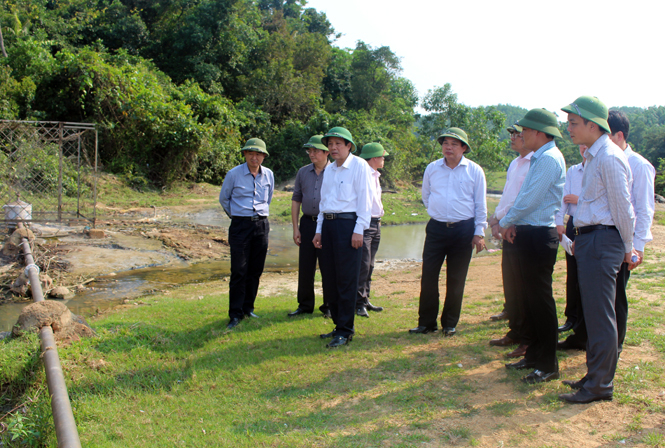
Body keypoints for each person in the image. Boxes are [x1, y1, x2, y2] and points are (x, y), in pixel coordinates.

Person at [558, 110, 655, 354]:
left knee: (614, 300)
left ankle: (613, 348)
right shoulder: (595, 157)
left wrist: (634, 247)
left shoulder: (634, 163)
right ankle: (588, 342)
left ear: (616, 134)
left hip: (617, 238)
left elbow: (640, 209)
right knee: (593, 298)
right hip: (598, 237)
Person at [559, 96, 635, 404]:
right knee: (592, 313)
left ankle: (601, 385)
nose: (570, 130)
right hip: (592, 239)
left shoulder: (609, 157)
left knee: (601, 316)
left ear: (593, 125)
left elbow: (623, 209)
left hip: (604, 240)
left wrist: (628, 249)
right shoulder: (595, 156)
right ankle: (594, 375)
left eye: (574, 124)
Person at [496, 108, 565, 384]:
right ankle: (534, 355)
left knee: (540, 301)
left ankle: (548, 363)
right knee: (530, 300)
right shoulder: (539, 157)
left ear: (539, 132)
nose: (521, 134)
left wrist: (505, 221)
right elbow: (524, 195)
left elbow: (530, 200)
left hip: (539, 236)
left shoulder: (548, 159)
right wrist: (512, 222)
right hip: (529, 232)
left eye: (525, 130)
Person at [409, 127, 487, 337]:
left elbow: (480, 204)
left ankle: (450, 323)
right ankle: (426, 323)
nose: (448, 147)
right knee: (428, 276)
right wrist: (439, 211)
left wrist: (479, 232)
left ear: (463, 148)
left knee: (456, 278)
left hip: (463, 230)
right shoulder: (432, 168)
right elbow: (426, 196)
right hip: (436, 229)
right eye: (445, 143)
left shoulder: (475, 171)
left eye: (454, 144)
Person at [312, 127, 373, 348]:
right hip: (328, 225)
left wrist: (359, 230)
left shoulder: (359, 166)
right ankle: (338, 324)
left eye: (338, 143)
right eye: (330, 144)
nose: (333, 147)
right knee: (330, 278)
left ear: (349, 146)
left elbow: (366, 201)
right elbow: (323, 203)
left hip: (349, 226)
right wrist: (319, 229)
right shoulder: (329, 170)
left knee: (347, 279)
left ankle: (346, 330)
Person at [488, 122, 534, 358]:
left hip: (521, 228)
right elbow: (507, 197)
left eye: (518, 134)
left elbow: (524, 201)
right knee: (512, 284)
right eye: (513, 134)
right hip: (508, 228)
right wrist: (496, 219)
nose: (514, 138)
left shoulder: (535, 163)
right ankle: (515, 331)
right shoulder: (515, 163)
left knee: (525, 288)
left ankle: (527, 338)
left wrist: (507, 222)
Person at [219, 138, 274, 330]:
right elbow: (224, 199)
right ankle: (235, 314)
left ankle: (248, 308)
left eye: (258, 154)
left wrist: (259, 217)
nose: (254, 157)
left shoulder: (268, 175)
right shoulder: (233, 174)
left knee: (255, 270)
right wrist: (237, 215)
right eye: (251, 153)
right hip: (240, 225)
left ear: (264, 157)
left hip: (261, 225)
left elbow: (268, 199)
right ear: (244, 154)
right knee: (239, 270)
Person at [288, 135, 331, 318]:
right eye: (309, 151)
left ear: (326, 152)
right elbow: (296, 199)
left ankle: (329, 306)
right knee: (306, 265)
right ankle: (305, 305)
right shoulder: (303, 172)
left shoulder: (335, 172)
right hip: (307, 223)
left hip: (328, 224)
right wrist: (296, 228)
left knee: (328, 265)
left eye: (315, 150)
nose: (311, 154)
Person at [554, 145, 587, 347]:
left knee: (585, 277)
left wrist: (579, 200)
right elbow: (563, 199)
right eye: (581, 145)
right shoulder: (574, 171)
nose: (583, 148)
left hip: (590, 225)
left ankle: (582, 324)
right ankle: (571, 317)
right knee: (572, 274)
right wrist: (559, 222)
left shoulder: (599, 168)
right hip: (572, 224)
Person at [356, 143, 389, 318]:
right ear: (374, 158)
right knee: (363, 264)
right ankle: (358, 302)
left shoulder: (375, 175)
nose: (384, 160)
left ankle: (365, 298)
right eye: (382, 157)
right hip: (366, 223)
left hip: (376, 223)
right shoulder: (363, 175)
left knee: (370, 264)